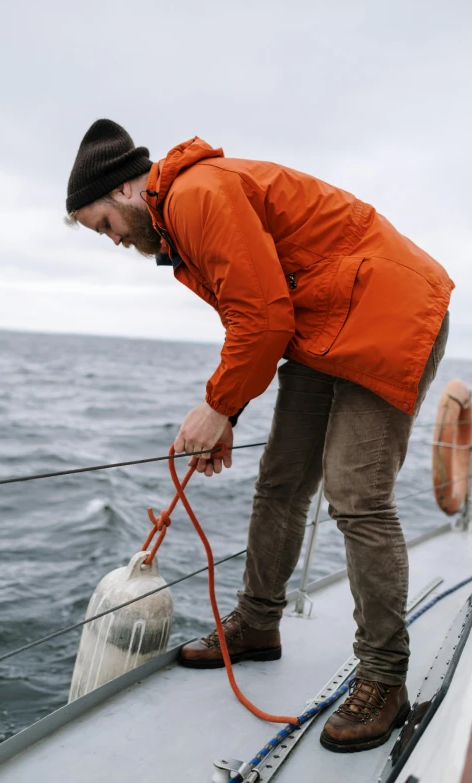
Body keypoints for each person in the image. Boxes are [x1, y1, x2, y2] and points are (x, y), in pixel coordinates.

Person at [65, 118, 453, 753]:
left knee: (357, 496)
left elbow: (264, 314)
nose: (110, 241)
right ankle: (258, 623)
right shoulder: (181, 219)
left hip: (385, 312)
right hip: (325, 323)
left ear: (127, 192)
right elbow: (259, 312)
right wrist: (231, 413)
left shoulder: (195, 195)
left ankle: (384, 676)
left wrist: (217, 406)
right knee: (280, 481)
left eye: (102, 225)